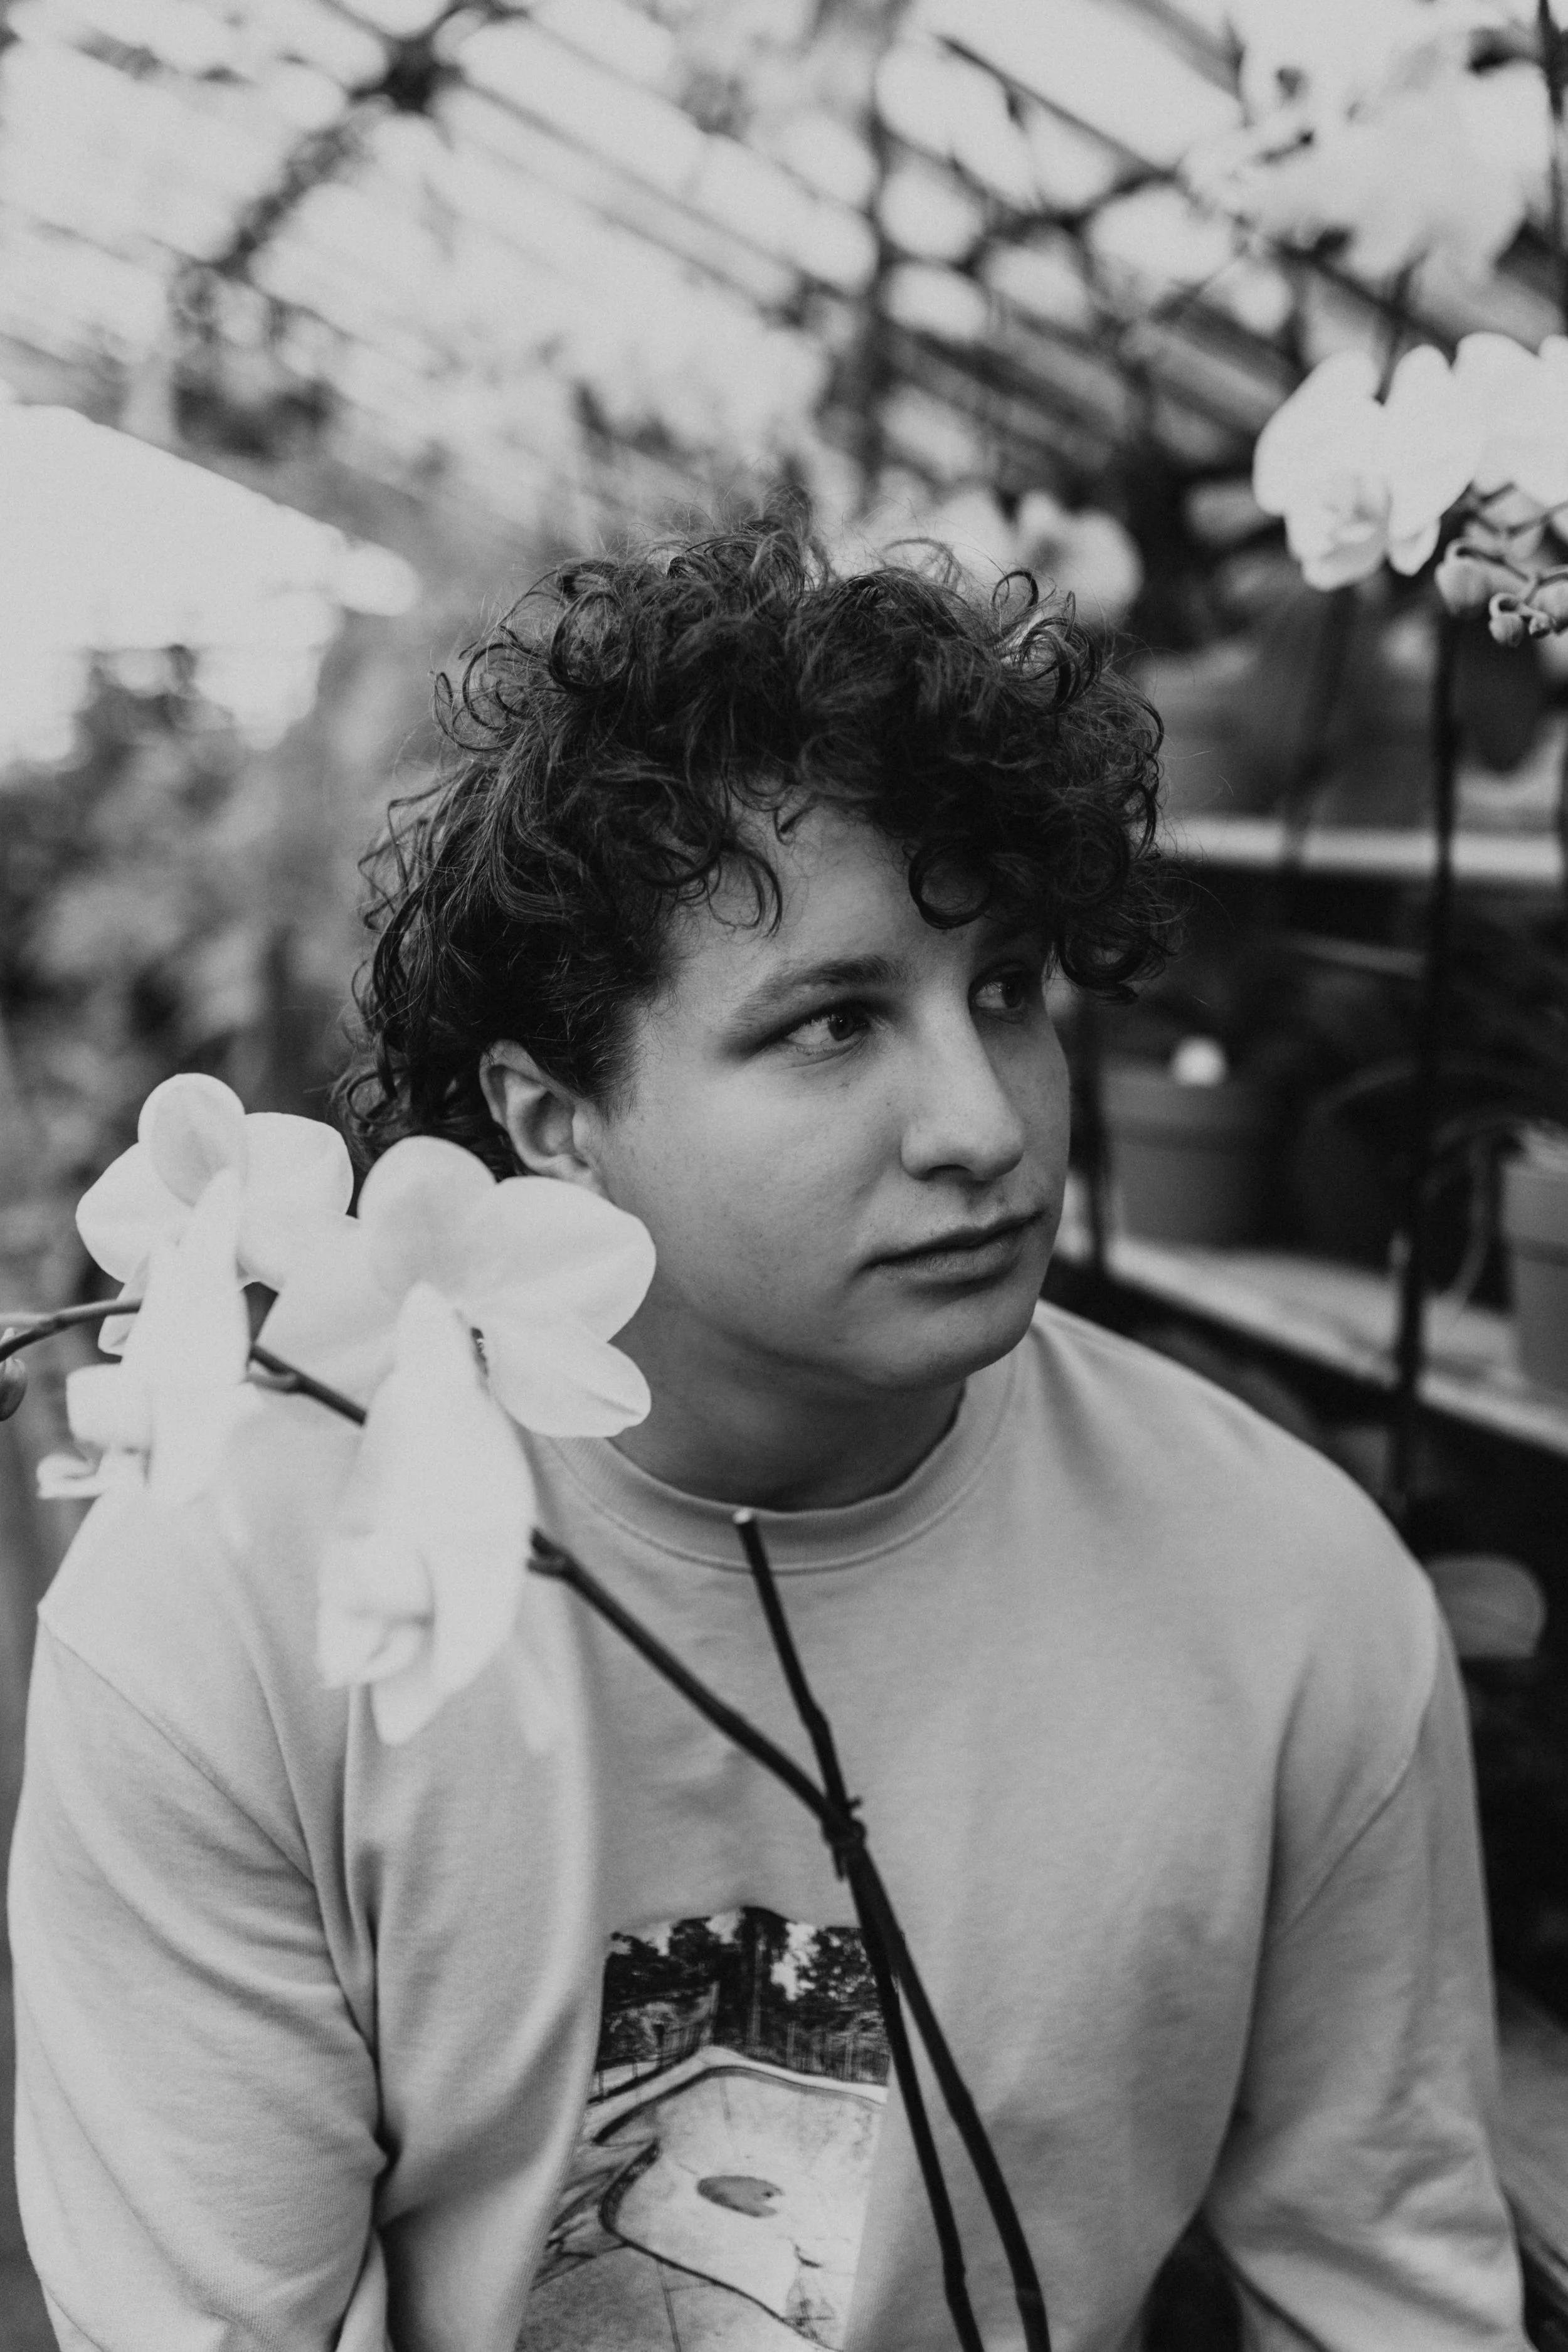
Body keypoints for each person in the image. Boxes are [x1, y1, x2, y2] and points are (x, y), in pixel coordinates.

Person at [9, 511, 1525, 2351]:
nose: (983, 1125)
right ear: (551, 1118)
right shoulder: (232, 1616)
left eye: (1005, 992)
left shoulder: (1290, 1592)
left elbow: (1388, 2292)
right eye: (831, 1025)